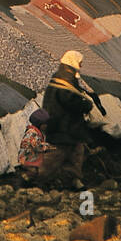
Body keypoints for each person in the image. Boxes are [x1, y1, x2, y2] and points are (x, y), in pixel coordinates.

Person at [40, 50, 93, 190]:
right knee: (56, 154)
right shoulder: (66, 78)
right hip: (63, 125)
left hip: (66, 125)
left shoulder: (63, 75)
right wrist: (86, 105)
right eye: (80, 61)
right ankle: (34, 177)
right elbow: (68, 99)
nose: (81, 65)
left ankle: (74, 180)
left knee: (76, 151)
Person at [17, 108, 52, 186]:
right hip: (28, 157)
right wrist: (48, 147)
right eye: (45, 124)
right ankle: (25, 182)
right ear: (41, 124)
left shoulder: (36, 132)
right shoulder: (32, 133)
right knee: (32, 172)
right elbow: (37, 146)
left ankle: (29, 182)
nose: (47, 126)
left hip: (31, 157)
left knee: (34, 171)